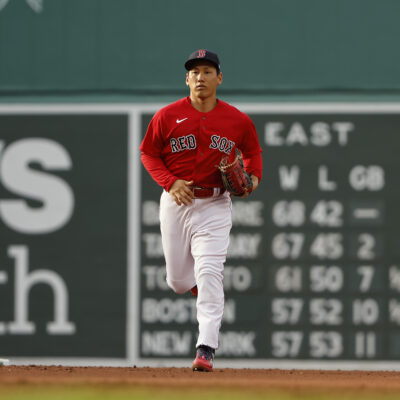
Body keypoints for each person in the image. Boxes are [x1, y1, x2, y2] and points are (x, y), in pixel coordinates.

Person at [140, 49, 262, 371]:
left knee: (210, 272)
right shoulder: (166, 116)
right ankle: (196, 285)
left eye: (207, 71)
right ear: (186, 79)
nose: (200, 77)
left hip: (215, 204)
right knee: (178, 281)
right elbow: (148, 154)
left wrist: (252, 180)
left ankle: (205, 348)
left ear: (219, 78)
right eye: (194, 72)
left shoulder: (237, 120)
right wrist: (169, 181)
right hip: (176, 203)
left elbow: (252, 155)